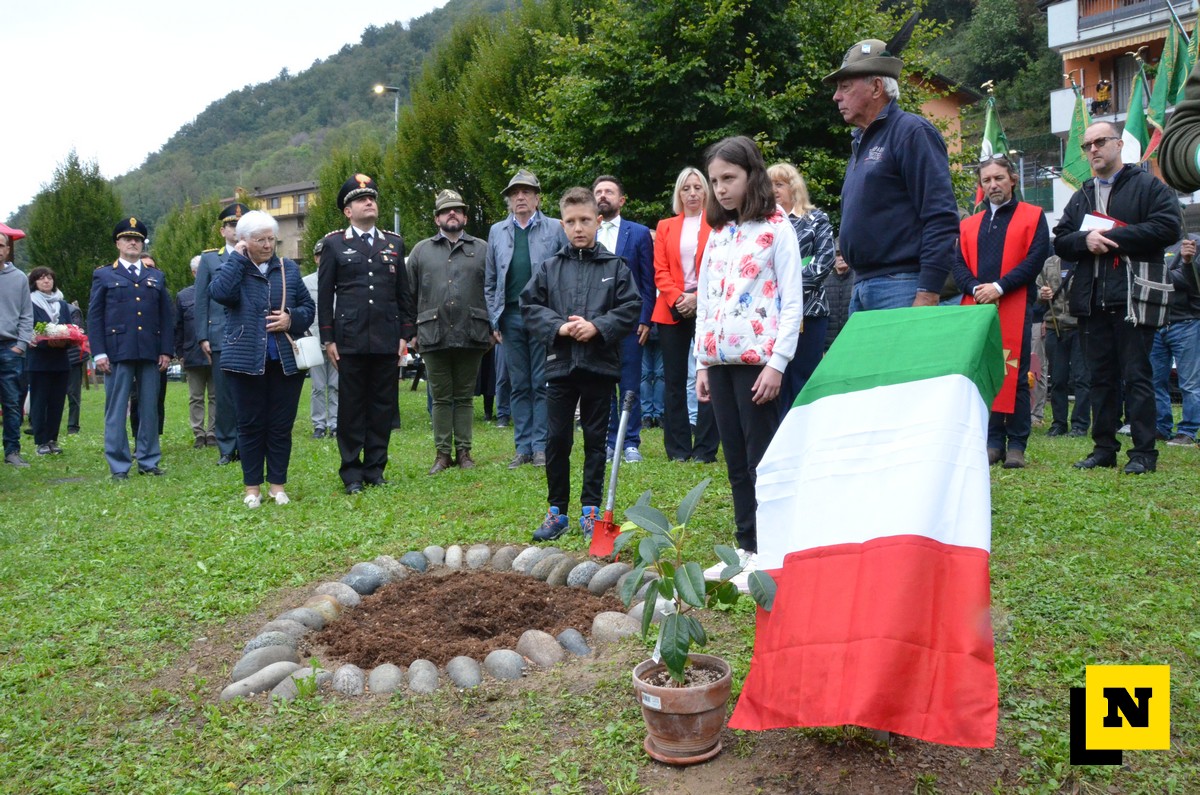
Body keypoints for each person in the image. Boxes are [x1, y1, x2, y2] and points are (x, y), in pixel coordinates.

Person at [695, 136, 804, 590]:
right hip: (719, 364)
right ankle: (746, 547)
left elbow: (792, 302)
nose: (720, 189)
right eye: (714, 180)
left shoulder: (778, 229)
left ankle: (772, 547)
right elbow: (705, 302)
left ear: (751, 177)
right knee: (735, 458)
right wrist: (701, 362)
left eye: (729, 179)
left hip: (758, 366)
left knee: (762, 457)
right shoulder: (717, 236)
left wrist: (777, 363)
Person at [1053, 121, 1181, 474]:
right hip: (1091, 300)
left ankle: (1143, 454)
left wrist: (1111, 235)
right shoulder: (1082, 194)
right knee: (1099, 379)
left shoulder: (1148, 186)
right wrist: (1085, 241)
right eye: (1087, 145)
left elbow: (1169, 227)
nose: (1093, 149)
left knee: (1138, 377)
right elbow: (1060, 239)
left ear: (1119, 144)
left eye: (1100, 142)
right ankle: (1103, 448)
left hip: (1133, 298)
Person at [521, 187, 641, 541]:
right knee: (557, 439)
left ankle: (591, 509)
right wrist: (559, 327)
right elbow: (529, 306)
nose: (578, 228)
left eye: (585, 220)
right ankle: (557, 510)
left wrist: (597, 327)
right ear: (562, 224)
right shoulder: (549, 268)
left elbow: (630, 308)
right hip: (559, 367)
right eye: (571, 222)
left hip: (599, 367)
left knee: (593, 439)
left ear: (598, 221)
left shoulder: (615, 267)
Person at [826, 38, 959, 311]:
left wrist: (927, 292)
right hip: (863, 285)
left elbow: (941, 216)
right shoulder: (862, 143)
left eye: (845, 87)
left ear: (876, 87)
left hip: (902, 287)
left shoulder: (911, 132)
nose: (836, 96)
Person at [209, 210, 314, 507]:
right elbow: (220, 294)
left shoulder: (288, 268)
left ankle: (277, 486)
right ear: (243, 241)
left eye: (271, 239)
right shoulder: (234, 267)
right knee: (250, 424)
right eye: (260, 240)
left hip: (284, 359)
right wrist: (238, 260)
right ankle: (251, 488)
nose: (268, 245)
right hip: (243, 360)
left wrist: (289, 318)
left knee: (281, 424)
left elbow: (308, 307)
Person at [318, 174, 414, 494]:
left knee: (383, 406)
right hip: (350, 338)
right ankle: (352, 473)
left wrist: (405, 332)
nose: (369, 202)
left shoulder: (394, 242)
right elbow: (324, 295)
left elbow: (404, 293)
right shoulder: (334, 243)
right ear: (348, 210)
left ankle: (375, 468)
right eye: (361, 199)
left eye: (372, 197)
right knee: (351, 407)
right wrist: (328, 338)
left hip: (386, 337)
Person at [951, 156, 1049, 469]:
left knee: (1017, 375)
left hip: (1015, 305)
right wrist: (975, 288)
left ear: (1013, 180)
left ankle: (1017, 443)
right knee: (987, 374)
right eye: (987, 180)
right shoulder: (969, 225)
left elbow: (1034, 260)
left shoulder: (1033, 216)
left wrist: (1000, 287)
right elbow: (957, 263)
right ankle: (993, 441)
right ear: (981, 186)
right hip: (977, 308)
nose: (993, 185)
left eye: (999, 178)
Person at [484, 169, 568, 469]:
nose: (520, 197)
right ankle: (522, 447)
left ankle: (541, 447)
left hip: (543, 318)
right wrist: (494, 319)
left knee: (542, 382)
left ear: (537, 198)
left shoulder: (554, 229)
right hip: (510, 318)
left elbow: (562, 273)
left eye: (526, 192)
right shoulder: (497, 232)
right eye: (514, 193)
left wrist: (558, 319)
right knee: (518, 384)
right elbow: (491, 280)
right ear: (509, 200)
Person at [406, 189, 491, 474]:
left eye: (457, 209)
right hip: (432, 333)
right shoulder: (421, 251)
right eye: (446, 210)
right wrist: (411, 333)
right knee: (441, 397)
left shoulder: (482, 248)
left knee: (465, 397)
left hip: (473, 331)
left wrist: (493, 328)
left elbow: (493, 291)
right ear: (437, 218)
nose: (451, 213)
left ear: (465, 216)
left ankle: (465, 452)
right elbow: (409, 294)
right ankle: (442, 454)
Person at [88, 217, 173, 480]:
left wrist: (166, 350)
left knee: (149, 408)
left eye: (137, 239)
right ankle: (119, 465)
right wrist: (99, 352)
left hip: (149, 350)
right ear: (118, 243)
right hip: (117, 351)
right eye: (127, 238)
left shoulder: (155, 276)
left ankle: (148, 460)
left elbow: (166, 317)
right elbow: (95, 316)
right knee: (116, 410)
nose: (133, 242)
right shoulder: (103, 274)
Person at [651, 167, 720, 463]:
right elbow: (660, 270)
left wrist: (697, 298)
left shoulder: (718, 223)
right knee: (674, 379)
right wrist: (679, 298)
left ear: (706, 192)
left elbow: (720, 267)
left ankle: (705, 449)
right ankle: (678, 449)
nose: (692, 193)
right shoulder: (665, 226)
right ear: (678, 194)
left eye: (697, 187)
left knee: (711, 376)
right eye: (686, 188)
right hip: (672, 307)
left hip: (708, 305)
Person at [593, 175, 655, 464]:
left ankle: (630, 442)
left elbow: (647, 280)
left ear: (622, 200)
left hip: (631, 322)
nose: (603, 196)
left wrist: (645, 319)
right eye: (598, 192)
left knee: (630, 384)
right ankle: (608, 442)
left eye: (609, 191)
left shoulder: (639, 233)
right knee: (603, 384)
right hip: (596, 323)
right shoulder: (586, 231)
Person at [768, 162, 836, 415]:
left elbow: (824, 262)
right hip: (772, 315)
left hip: (810, 312)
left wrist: (787, 287)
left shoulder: (816, 219)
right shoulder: (766, 224)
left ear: (793, 187)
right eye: (770, 185)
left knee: (803, 379)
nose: (774, 190)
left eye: (780, 184)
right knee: (777, 380)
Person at [195, 202, 248, 466]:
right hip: (220, 335)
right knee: (224, 395)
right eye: (232, 225)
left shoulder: (257, 254)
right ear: (222, 230)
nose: (237, 230)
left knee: (249, 392)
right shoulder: (209, 259)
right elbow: (201, 299)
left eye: (241, 225)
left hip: (249, 333)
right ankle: (227, 447)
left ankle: (247, 444)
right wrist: (202, 335)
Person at [1152, 234, 1200, 446]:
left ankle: (1188, 431)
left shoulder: (1193, 243)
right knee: (1155, 380)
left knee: (1189, 383)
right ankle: (1161, 427)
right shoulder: (1155, 243)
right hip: (1157, 322)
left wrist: (1184, 266)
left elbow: (1193, 283)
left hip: (1187, 322)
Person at [1037, 255, 1091, 437]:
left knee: (1082, 378)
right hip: (1055, 327)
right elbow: (1037, 292)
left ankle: (1080, 424)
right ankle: (1058, 423)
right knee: (1058, 378)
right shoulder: (1049, 262)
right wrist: (1041, 295)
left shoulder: (1086, 260)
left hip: (1081, 327)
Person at [26, 267, 73, 455]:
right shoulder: (29, 303)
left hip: (60, 360)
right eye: (41, 278)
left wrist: (66, 339)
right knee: (40, 401)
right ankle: (41, 440)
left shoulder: (62, 304)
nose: (46, 281)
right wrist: (45, 342)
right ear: (34, 282)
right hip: (39, 360)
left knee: (57, 401)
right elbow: (29, 328)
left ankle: (53, 439)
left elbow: (71, 327)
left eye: (49, 278)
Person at [0, 224, 33, 467]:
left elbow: (26, 315)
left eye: (1, 245)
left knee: (12, 403)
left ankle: (12, 451)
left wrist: (20, 344)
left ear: (8, 249)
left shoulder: (19, 278)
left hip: (9, 347)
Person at [175, 255, 215, 448]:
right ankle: (199, 433)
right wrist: (180, 353)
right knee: (196, 396)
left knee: (216, 396)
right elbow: (178, 327)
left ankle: (213, 432)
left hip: (216, 353)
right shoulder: (183, 296)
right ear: (193, 273)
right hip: (192, 353)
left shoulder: (218, 292)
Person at [129, 253, 169, 441]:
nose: (149, 270)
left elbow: (168, 321)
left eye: (152, 266)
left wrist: (167, 351)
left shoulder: (160, 289)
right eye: (145, 266)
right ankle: (138, 437)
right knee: (136, 398)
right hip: (132, 351)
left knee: (156, 397)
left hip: (156, 352)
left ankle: (153, 437)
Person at [303, 239, 337, 440]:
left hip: (337, 340)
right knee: (317, 387)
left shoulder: (341, 281)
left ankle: (335, 424)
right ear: (316, 259)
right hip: (314, 339)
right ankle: (318, 424)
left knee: (336, 385)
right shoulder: (306, 282)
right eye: (320, 256)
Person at [823, 250, 853, 351]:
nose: (841, 258)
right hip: (828, 347)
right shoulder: (824, 281)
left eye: (844, 254)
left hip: (851, 341)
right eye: (838, 254)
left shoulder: (857, 279)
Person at [65, 301, 85, 435]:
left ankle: (73, 425)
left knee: (73, 393)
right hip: (51, 357)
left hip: (72, 357)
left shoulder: (73, 310)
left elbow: (78, 331)